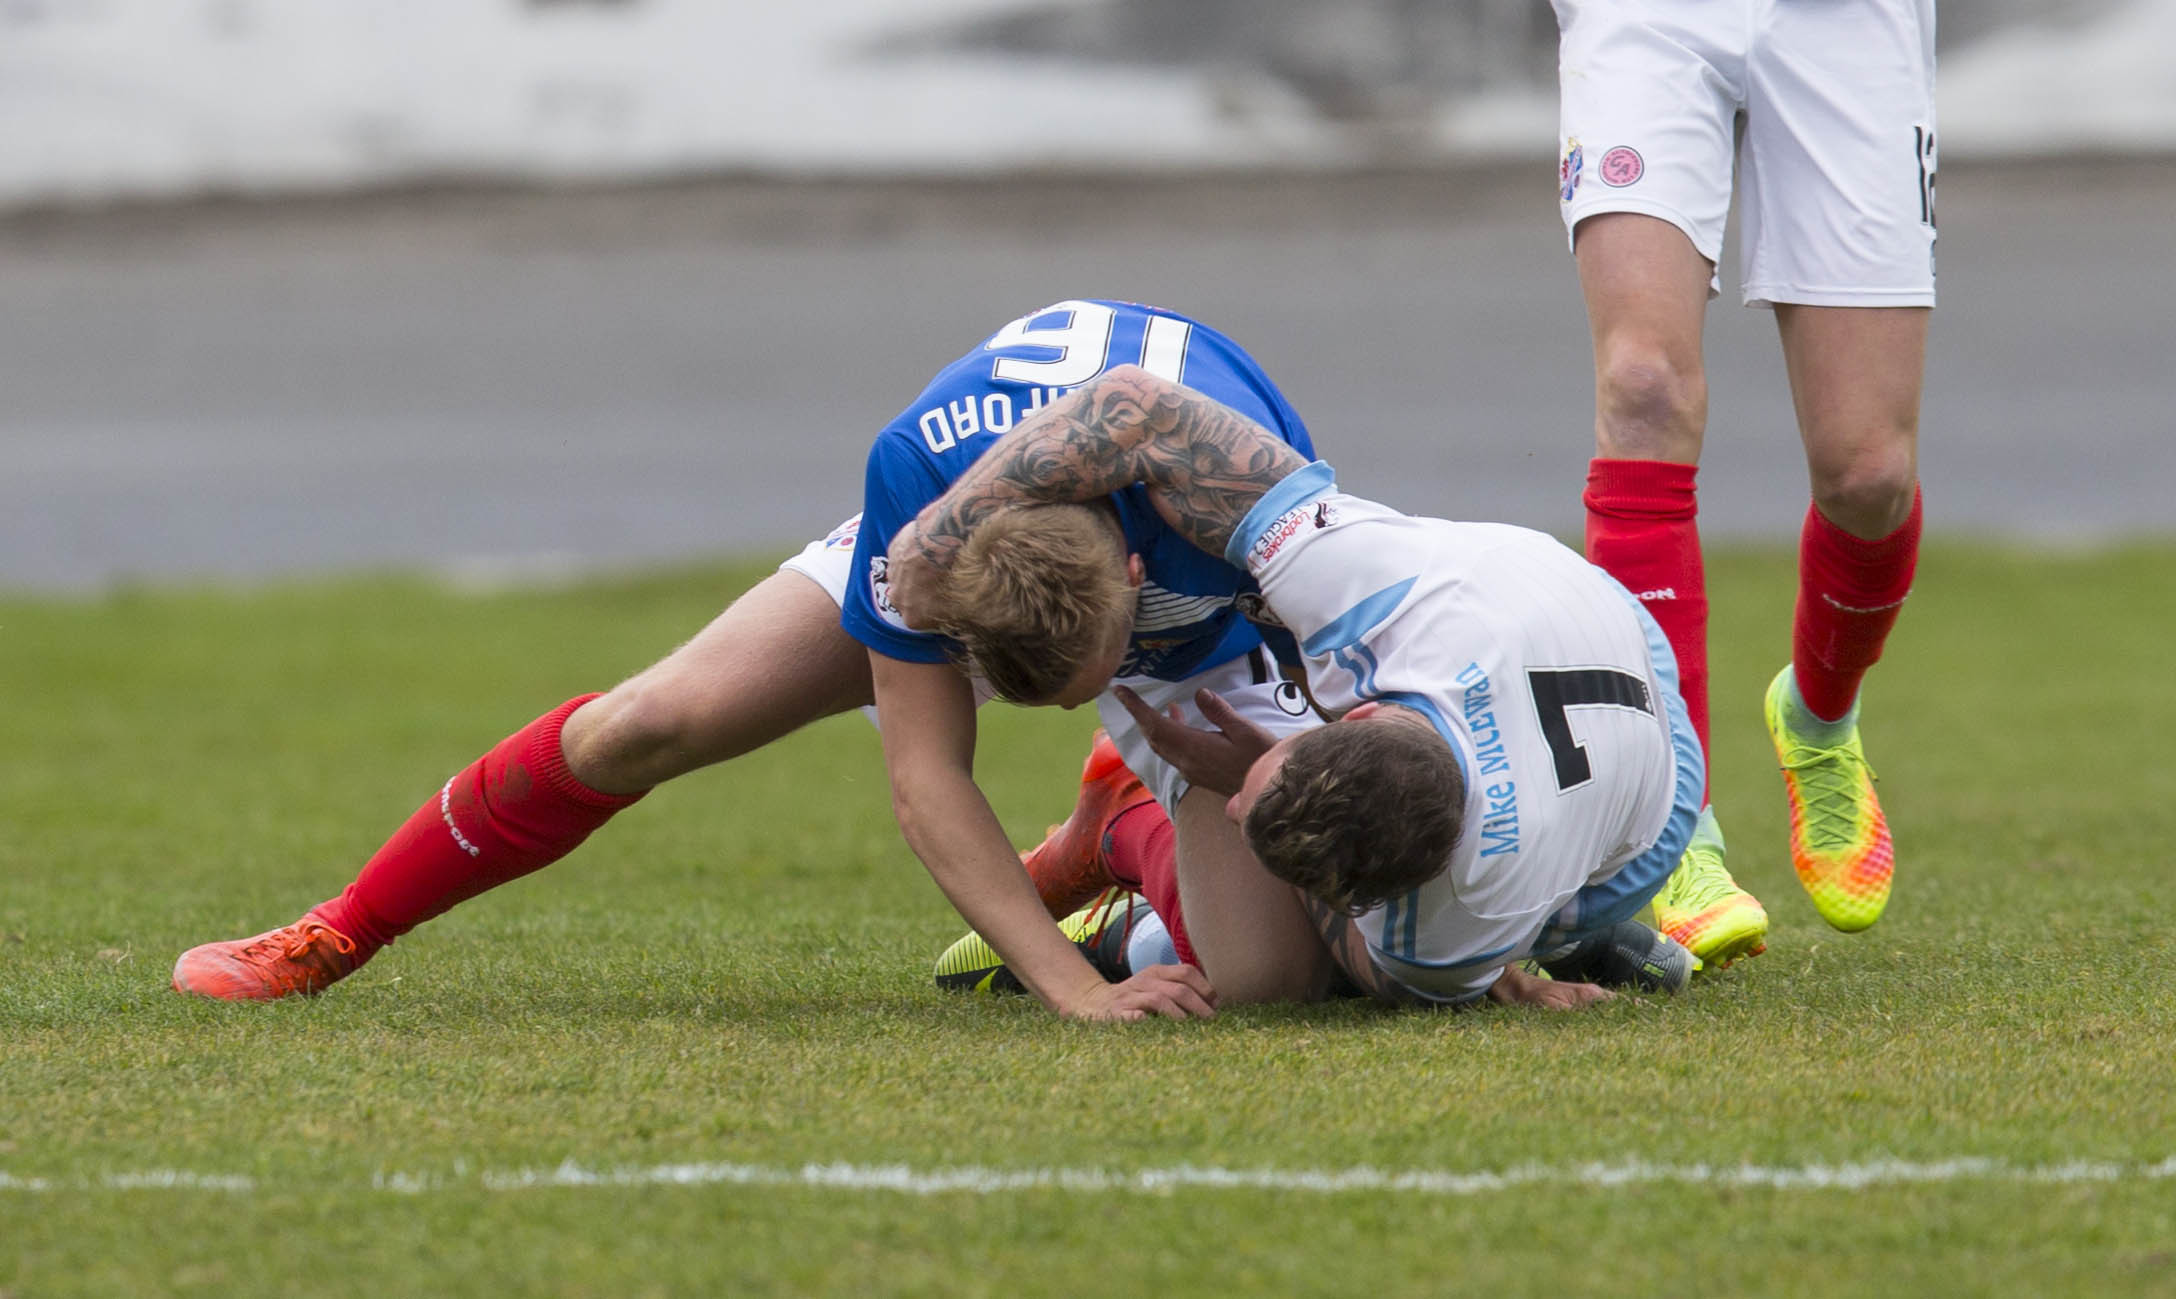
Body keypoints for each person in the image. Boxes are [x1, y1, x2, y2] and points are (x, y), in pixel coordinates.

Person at [168, 298, 1315, 1022]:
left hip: (1200, 617)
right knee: (646, 723)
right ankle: (337, 930)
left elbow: (1400, 671)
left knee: (1270, 986)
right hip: (988, 542)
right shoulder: (921, 495)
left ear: (1133, 585)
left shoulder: (1245, 499)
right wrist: (1065, 995)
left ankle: (1119, 831)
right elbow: (927, 776)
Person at [888, 365, 1706, 1008]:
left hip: (1644, 798)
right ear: (1369, 708)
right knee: (1270, 970)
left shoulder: (1439, 940)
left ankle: (1129, 849)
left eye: (1241, 800)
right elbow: (1135, 405)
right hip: (1600, 631)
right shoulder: (1360, 581)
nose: (1237, 802)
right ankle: (1131, 827)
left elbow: (1398, 958)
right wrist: (932, 540)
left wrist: (1499, 973)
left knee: (1278, 983)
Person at [1553, 1, 1935, 940]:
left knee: (1867, 471)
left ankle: (1818, 718)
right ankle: (1671, 829)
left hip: (1846, 24)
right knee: (1643, 385)